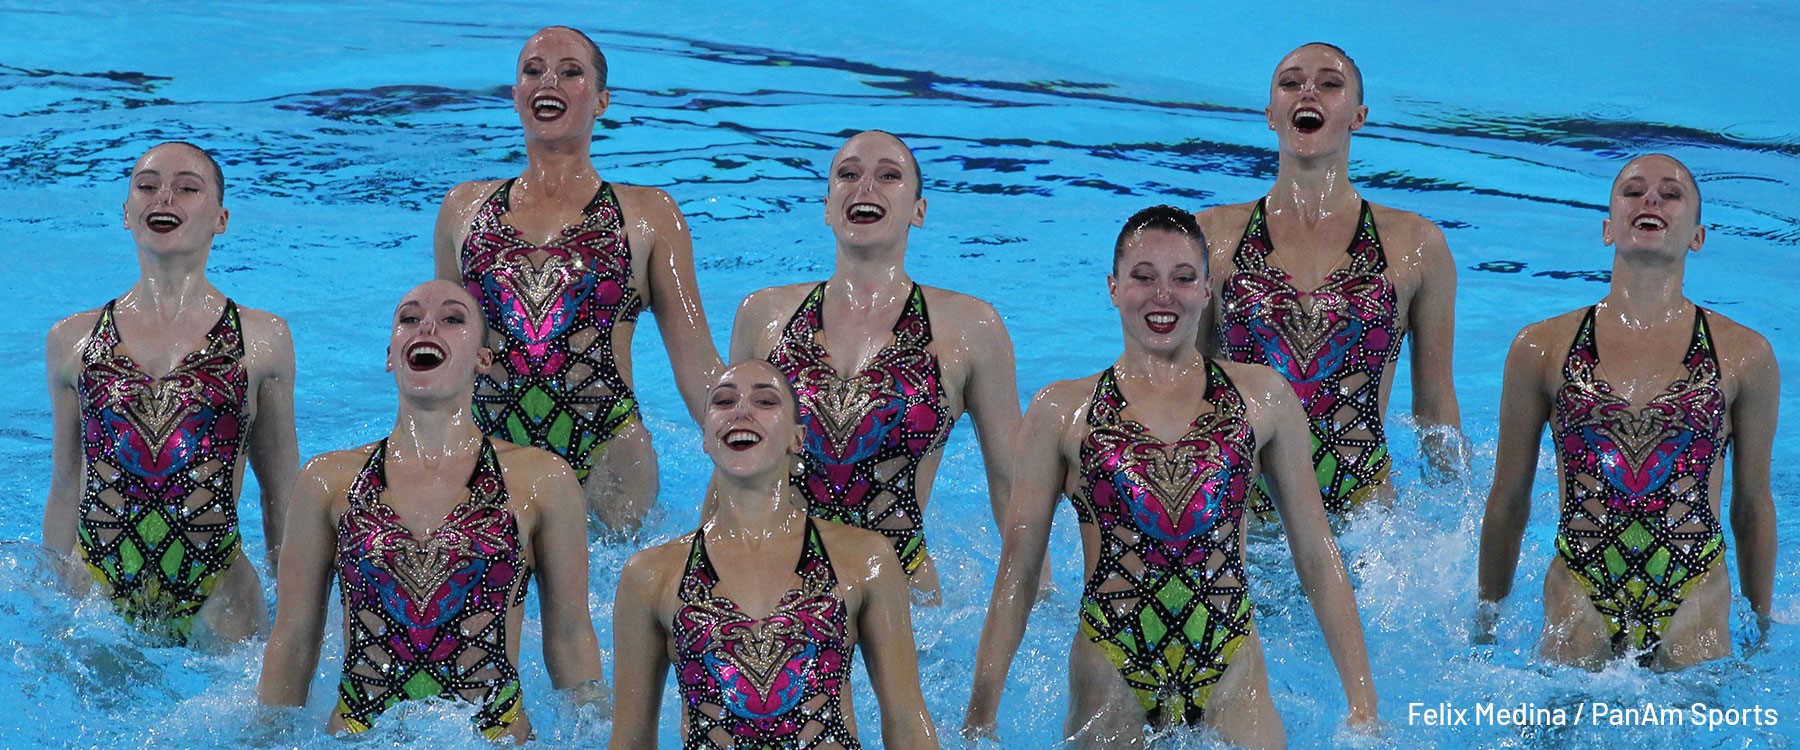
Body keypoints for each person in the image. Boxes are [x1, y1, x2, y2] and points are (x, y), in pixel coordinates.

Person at [964, 207, 1376, 748]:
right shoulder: (1061, 411)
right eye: (1143, 277)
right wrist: (979, 719)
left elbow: (1317, 556)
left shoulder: (1264, 400)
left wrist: (1363, 703)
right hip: (1110, 669)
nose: (1164, 294)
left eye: (1183, 278)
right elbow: (1017, 577)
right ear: (1113, 288)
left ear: (1207, 291)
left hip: (1230, 666)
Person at [258, 280, 603, 742]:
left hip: (491, 737)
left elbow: (570, 637)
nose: (428, 327)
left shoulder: (541, 481)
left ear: (483, 359)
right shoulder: (328, 482)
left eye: (452, 319)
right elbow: (294, 640)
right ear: (389, 354)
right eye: (410, 318)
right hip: (361, 735)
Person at [1476, 154, 1777, 669]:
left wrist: (1761, 628)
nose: (1651, 200)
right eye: (1633, 191)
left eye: (1671, 193)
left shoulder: (1745, 356)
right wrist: (1486, 621)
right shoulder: (1541, 349)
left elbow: (1751, 506)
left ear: (1698, 236)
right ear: (1608, 228)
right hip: (1580, 582)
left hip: (1694, 586)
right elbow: (1508, 500)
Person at [435, 26, 721, 532]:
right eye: (533, 71)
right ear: (516, 95)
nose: (550, 81)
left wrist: (754, 444)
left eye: (571, 73)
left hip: (609, 449)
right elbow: (448, 356)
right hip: (491, 447)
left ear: (602, 101)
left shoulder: (648, 215)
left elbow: (695, 362)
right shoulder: (463, 210)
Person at [730, 130, 1021, 599]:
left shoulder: (970, 328)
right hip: (775, 588)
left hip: (902, 597)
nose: (865, 189)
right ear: (827, 207)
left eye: (888, 176)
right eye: (848, 175)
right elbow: (733, 468)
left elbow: (1011, 489)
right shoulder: (763, 317)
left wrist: (1039, 601)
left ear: (918, 211)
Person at [42, 141, 298, 645]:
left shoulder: (262, 339)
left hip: (219, 593)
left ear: (220, 219)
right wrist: (53, 605)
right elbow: (66, 483)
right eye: (147, 186)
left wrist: (296, 610)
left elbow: (282, 492)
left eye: (187, 188)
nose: (164, 198)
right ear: (126, 213)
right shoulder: (72, 340)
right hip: (97, 592)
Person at [610, 359, 938, 749]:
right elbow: (630, 741)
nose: (742, 411)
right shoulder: (651, 575)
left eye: (765, 402)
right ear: (705, 437)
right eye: (724, 402)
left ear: (797, 438)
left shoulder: (864, 560)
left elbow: (907, 724)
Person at [1197, 42, 1461, 518]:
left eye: (1330, 83)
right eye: (1291, 82)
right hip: (1245, 518)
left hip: (1364, 521)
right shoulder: (1212, 237)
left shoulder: (1417, 246)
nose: (1308, 92)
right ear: (1271, 114)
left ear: (1358, 116)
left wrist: (1457, 521)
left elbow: (1435, 407)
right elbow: (1180, 383)